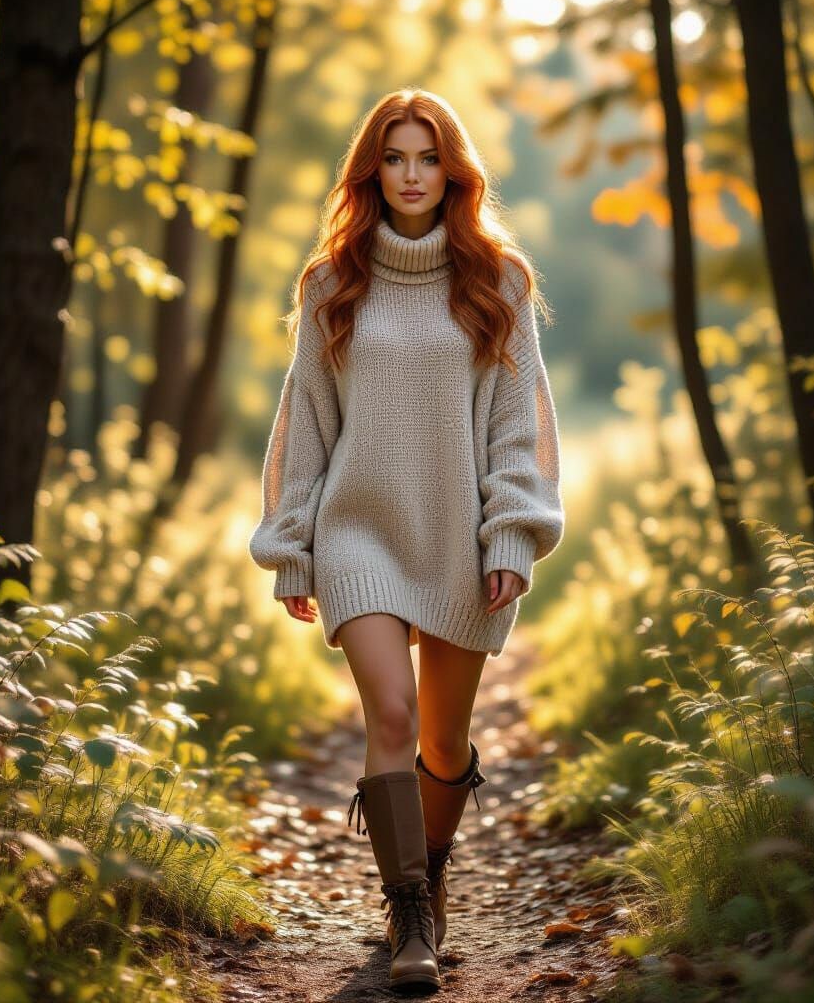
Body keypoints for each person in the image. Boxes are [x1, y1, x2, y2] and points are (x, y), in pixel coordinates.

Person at [249, 87, 564, 993]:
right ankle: (410, 915)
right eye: (395, 157)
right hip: (359, 532)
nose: (413, 174)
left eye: (428, 157)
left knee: (442, 742)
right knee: (389, 714)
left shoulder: (497, 278)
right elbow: (303, 425)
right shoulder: (330, 284)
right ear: (372, 170)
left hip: (459, 538)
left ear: (452, 170)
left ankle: (429, 867)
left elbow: (519, 423)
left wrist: (511, 532)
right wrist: (294, 544)